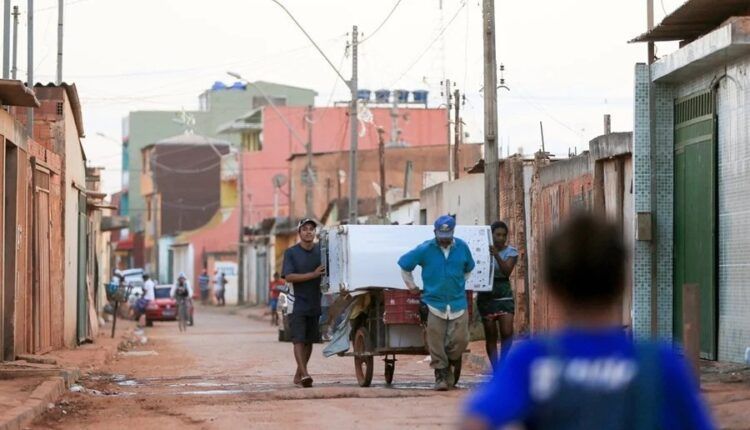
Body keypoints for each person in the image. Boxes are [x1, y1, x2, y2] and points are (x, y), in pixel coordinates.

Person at [462, 214, 716, 430]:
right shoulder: (660, 363)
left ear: (551, 287)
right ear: (623, 282)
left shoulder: (533, 360)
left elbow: (474, 421)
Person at [398, 214, 476, 391]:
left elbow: (469, 269)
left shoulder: (462, 247)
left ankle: (452, 360)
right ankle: (440, 374)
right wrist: (412, 286)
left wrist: (458, 283)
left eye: (448, 238)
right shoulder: (425, 249)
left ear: (453, 233)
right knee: (436, 341)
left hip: (457, 302)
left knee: (461, 340)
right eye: (442, 237)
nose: (445, 241)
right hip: (433, 303)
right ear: (435, 233)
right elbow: (404, 264)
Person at [282, 218, 324, 388]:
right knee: (298, 339)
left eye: (311, 229)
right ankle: (305, 374)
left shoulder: (321, 252)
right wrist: (313, 275)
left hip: (315, 301)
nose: (308, 232)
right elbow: (289, 276)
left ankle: (299, 373)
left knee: (309, 340)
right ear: (299, 233)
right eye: (305, 229)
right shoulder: (291, 253)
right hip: (296, 301)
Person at [477, 221, 519, 368]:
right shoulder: (482, 251)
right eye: (498, 235)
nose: (501, 238)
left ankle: (503, 362)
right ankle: (496, 369)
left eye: (504, 235)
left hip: (504, 293)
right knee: (491, 335)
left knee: (507, 332)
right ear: (491, 235)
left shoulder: (511, 252)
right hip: (486, 294)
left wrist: (496, 255)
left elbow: (507, 271)